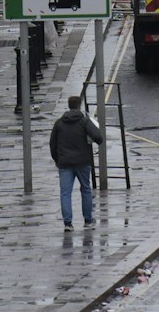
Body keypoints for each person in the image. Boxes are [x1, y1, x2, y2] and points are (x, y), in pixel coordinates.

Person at [49, 95, 104, 230]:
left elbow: (52, 143)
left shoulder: (59, 123)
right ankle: (88, 220)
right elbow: (98, 137)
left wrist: (57, 159)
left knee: (65, 193)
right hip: (82, 161)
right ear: (79, 106)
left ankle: (68, 223)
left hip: (65, 162)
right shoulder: (84, 122)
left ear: (69, 106)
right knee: (85, 189)